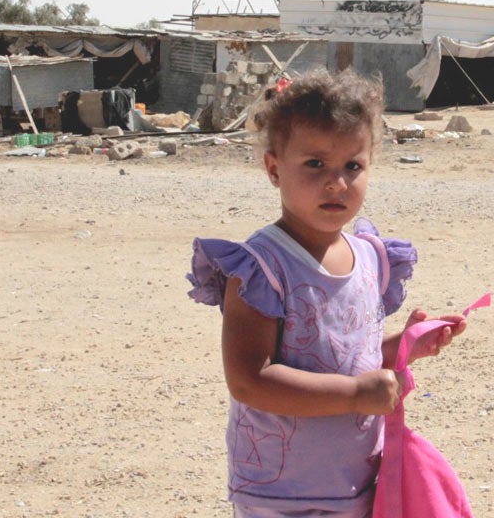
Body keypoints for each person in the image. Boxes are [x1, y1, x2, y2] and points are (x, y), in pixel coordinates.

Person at [187, 68, 467, 517]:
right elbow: (249, 380)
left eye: (352, 166)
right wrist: (356, 394)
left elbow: (350, 353)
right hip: (283, 493)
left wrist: (404, 346)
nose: (337, 182)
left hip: (354, 482)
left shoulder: (370, 257)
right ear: (275, 168)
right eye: (315, 164)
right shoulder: (263, 268)